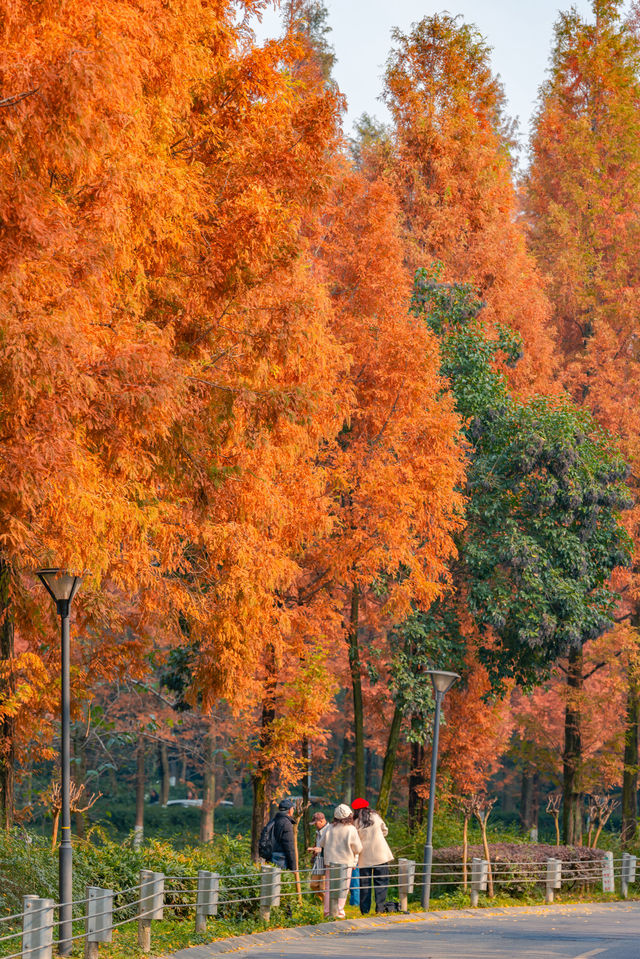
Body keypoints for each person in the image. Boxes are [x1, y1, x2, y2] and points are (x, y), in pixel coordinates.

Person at [319, 803, 362, 919]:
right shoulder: (351, 829)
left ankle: (327, 912)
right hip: (345, 863)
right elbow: (358, 848)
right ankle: (339, 911)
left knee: (329, 887)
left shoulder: (329, 827)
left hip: (330, 863)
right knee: (343, 888)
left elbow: (321, 843)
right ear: (349, 816)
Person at [352, 798, 393, 915]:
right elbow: (385, 830)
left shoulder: (355, 822)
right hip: (381, 854)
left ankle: (364, 910)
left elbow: (355, 840)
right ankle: (380, 908)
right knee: (381, 882)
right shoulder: (375, 817)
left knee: (365, 884)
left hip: (364, 857)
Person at [271, 798, 297, 871]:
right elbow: (289, 846)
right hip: (281, 859)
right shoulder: (286, 823)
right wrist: (293, 867)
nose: (293, 810)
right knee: (280, 880)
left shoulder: (274, 820)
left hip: (272, 855)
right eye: (293, 809)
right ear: (289, 810)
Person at [308, 810, 328, 900]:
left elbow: (331, 846)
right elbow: (317, 843)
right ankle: (324, 902)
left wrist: (320, 850)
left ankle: (326, 905)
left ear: (322, 821)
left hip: (326, 860)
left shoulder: (329, 830)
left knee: (323, 887)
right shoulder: (318, 831)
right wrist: (313, 852)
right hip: (318, 860)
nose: (315, 826)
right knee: (313, 885)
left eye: (316, 823)